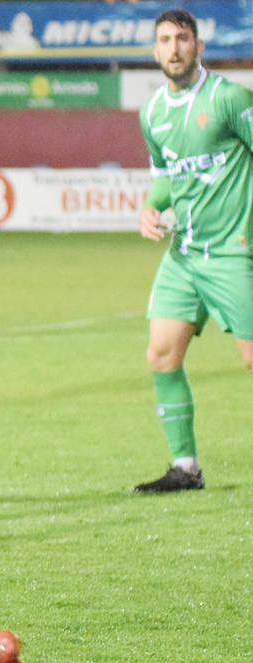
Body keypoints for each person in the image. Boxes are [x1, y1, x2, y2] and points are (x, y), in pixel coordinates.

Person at [133, 8, 253, 493]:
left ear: (199, 47)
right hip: (184, 255)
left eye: (183, 38)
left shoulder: (230, 99)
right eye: (165, 39)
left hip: (233, 253)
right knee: (161, 353)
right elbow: (165, 175)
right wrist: (150, 206)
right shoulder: (152, 114)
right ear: (155, 51)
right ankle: (185, 468)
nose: (174, 47)